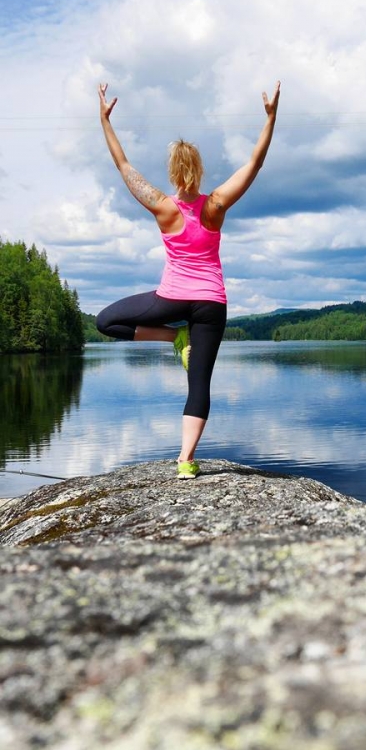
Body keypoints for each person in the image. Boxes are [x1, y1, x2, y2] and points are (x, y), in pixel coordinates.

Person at [95, 81, 280, 479]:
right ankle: (186, 461)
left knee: (105, 321)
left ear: (173, 172)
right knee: (199, 383)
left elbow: (123, 165)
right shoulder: (215, 204)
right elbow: (254, 164)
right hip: (211, 303)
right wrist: (270, 118)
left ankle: (173, 337)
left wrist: (104, 121)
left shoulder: (162, 207)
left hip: (173, 299)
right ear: (198, 169)